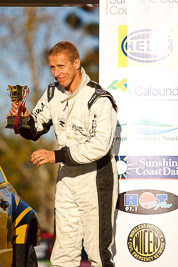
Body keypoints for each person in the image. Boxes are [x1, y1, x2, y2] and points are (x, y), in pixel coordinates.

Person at [8, 41, 118, 267]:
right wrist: (21, 120)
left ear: (76, 63)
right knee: (62, 255)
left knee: (99, 253)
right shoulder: (51, 93)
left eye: (61, 66)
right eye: (52, 67)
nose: (56, 73)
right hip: (67, 179)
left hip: (96, 179)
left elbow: (99, 146)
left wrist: (55, 156)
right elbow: (36, 129)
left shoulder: (99, 98)